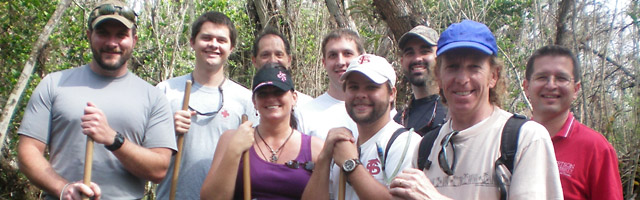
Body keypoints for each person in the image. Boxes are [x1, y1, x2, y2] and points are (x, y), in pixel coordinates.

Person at [16, 1, 176, 199]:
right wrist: (63, 188)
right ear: (89, 35)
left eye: (121, 35)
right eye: (103, 33)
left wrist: (114, 140)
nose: (111, 42)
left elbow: (159, 170)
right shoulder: (54, 84)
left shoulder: (154, 98)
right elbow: (28, 152)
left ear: (134, 40)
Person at [390, 20, 563, 200]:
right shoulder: (425, 149)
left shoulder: (525, 139)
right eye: (452, 67)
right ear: (439, 76)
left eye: (474, 67)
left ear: (493, 76)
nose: (462, 79)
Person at [155, 11, 258, 200]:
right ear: (192, 42)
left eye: (221, 40)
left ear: (231, 47)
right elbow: (147, 152)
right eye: (206, 38)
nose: (213, 45)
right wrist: (168, 130)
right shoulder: (166, 91)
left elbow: (255, 161)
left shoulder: (246, 100)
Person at [302, 54, 422, 200]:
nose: (361, 95)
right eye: (353, 87)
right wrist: (324, 158)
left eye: (371, 87)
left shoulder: (406, 144)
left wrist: (351, 165)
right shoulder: (344, 146)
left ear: (392, 94)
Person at [200, 64, 324, 199]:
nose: (271, 98)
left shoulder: (316, 148)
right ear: (254, 101)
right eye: (263, 93)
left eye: (278, 92)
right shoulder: (231, 139)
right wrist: (234, 151)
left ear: (294, 97)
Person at [523, 45, 623, 200]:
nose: (551, 85)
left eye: (561, 78)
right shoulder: (511, 141)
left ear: (576, 89)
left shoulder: (596, 149)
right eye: (542, 77)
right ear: (526, 87)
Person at [297, 29, 365, 140]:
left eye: (347, 54)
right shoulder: (305, 115)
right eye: (333, 55)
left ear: (361, 58)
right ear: (324, 62)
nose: (340, 62)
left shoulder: (377, 110)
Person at [394, 25, 448, 135]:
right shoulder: (398, 121)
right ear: (402, 62)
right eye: (410, 53)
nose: (417, 58)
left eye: (425, 51)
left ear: (439, 58)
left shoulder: (453, 111)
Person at [251, 26, 313, 104]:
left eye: (279, 54)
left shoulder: (307, 104)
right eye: (265, 55)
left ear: (289, 60)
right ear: (254, 61)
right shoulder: (245, 104)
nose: (272, 60)